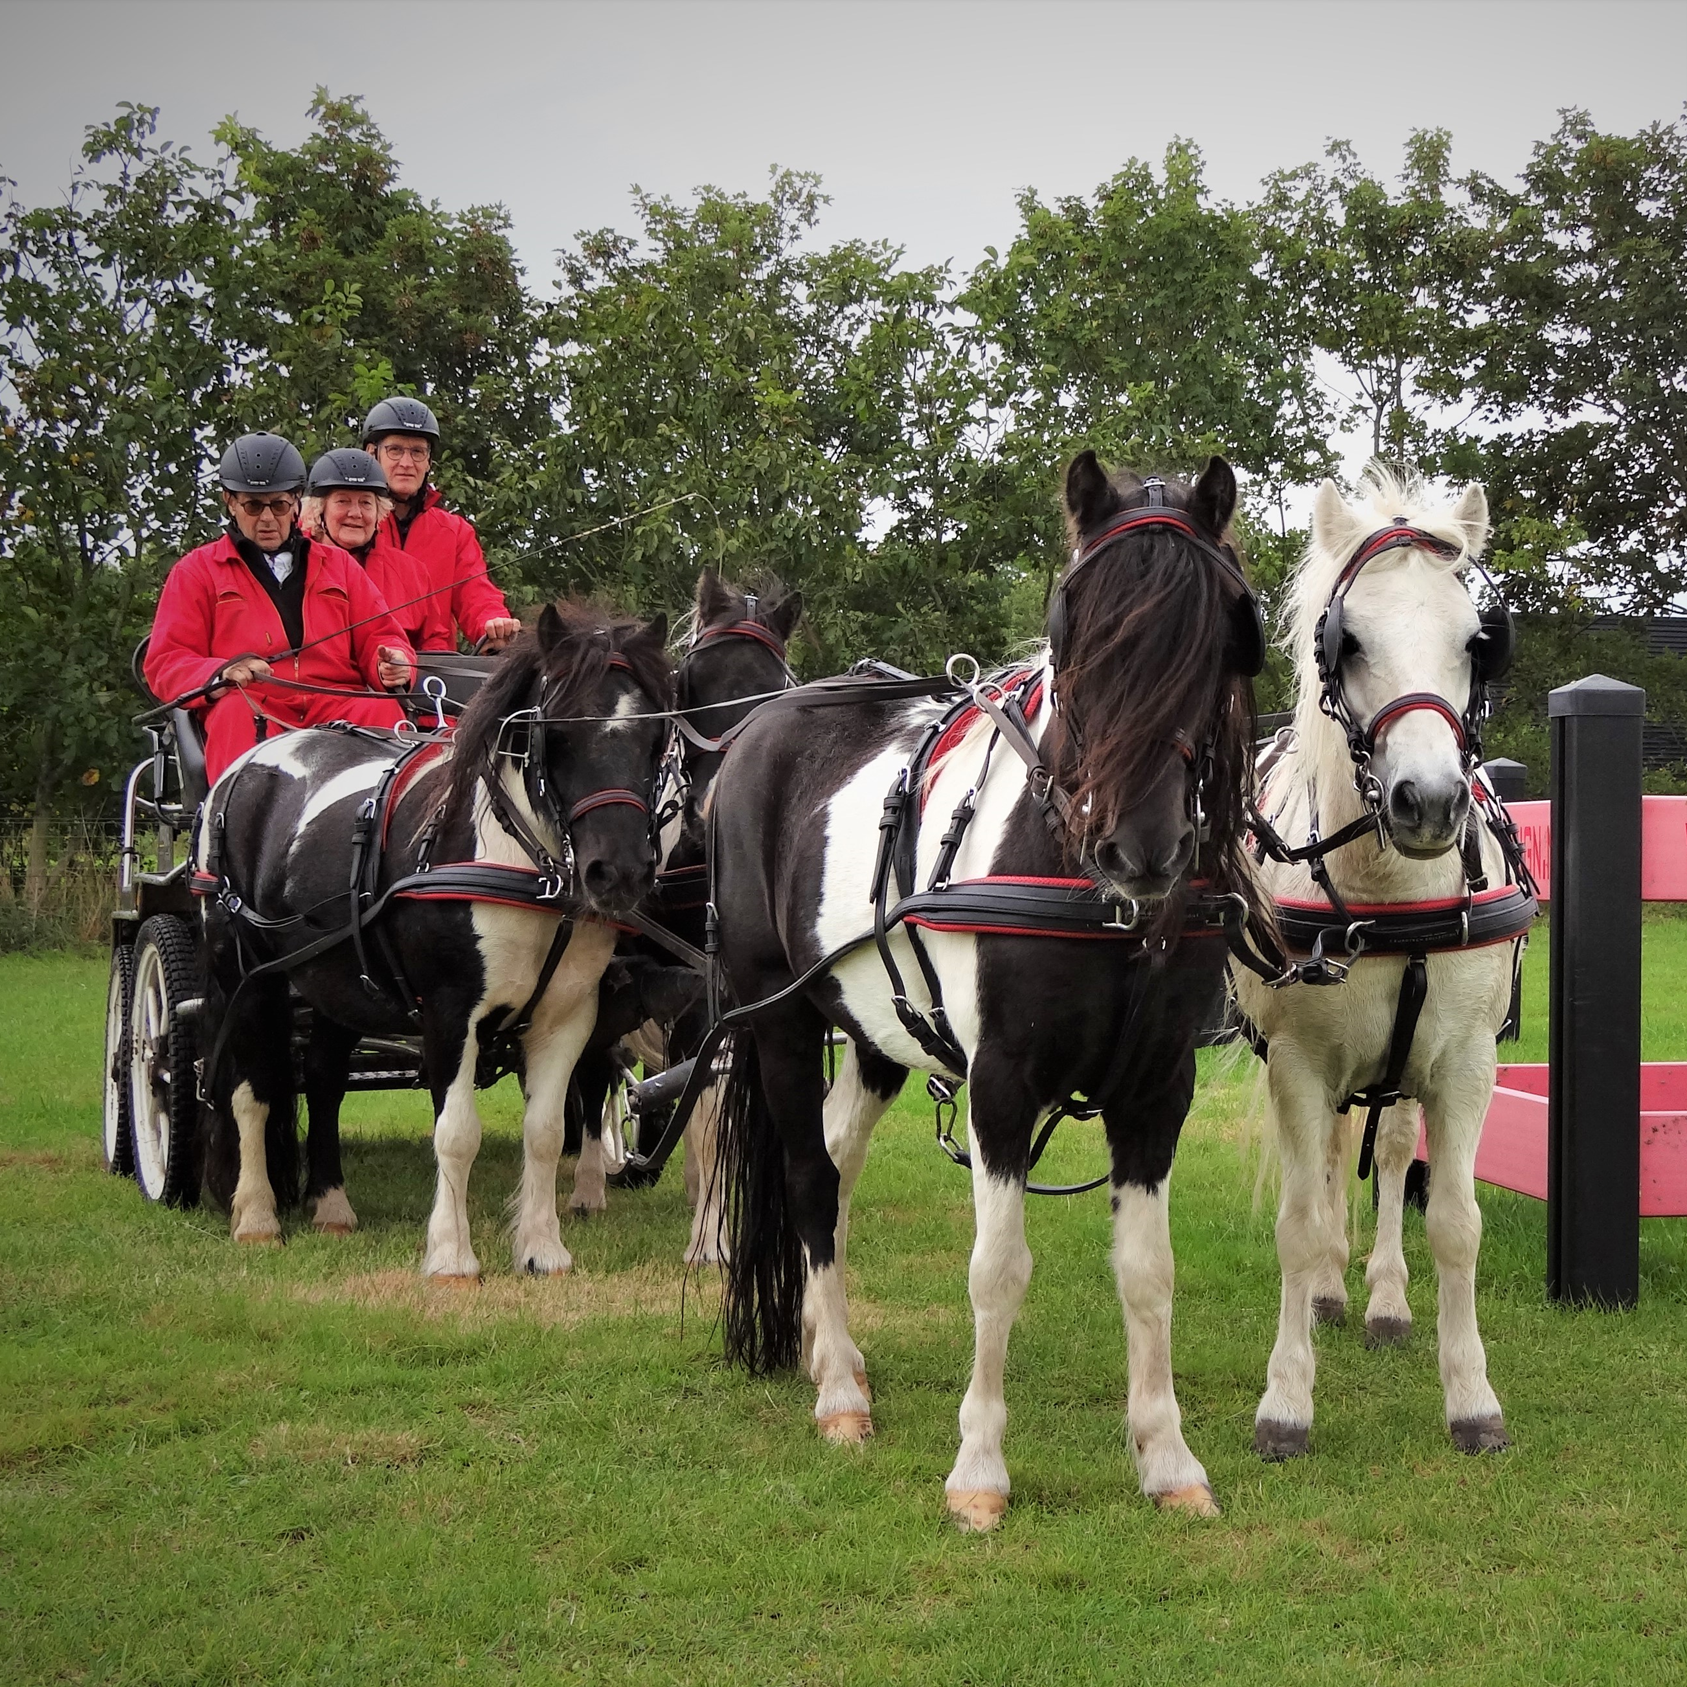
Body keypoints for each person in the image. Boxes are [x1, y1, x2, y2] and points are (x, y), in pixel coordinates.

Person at [146, 432, 417, 784]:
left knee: (381, 709)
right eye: (253, 506)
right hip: (255, 702)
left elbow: (381, 635)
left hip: (333, 701)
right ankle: (233, 831)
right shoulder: (197, 571)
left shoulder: (340, 565)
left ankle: (389, 829)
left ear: (296, 502)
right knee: (234, 714)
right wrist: (220, 674)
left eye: (279, 505)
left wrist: (392, 664)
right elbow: (166, 661)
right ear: (230, 502)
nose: (268, 519)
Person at [362, 396, 521, 650]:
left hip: (433, 674)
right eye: (395, 450)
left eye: (417, 452)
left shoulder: (454, 531)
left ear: (428, 463)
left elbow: (476, 594)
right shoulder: (349, 522)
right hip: (360, 669)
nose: (406, 463)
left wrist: (493, 624)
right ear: (372, 454)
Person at [301, 449, 453, 652]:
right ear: (319, 510)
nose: (355, 513)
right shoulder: (293, 566)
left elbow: (435, 643)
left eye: (365, 503)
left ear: (379, 512)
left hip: (394, 681)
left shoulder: (411, 573)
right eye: (343, 501)